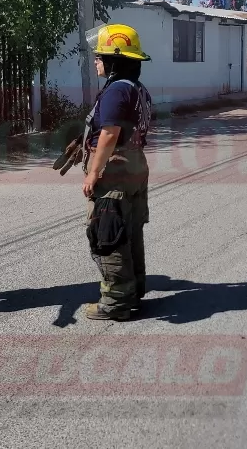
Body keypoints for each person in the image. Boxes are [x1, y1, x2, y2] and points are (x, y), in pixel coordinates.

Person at [80, 23, 155, 321]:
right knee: (130, 232)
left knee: (108, 233)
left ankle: (116, 301)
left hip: (115, 171)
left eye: (100, 57)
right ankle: (134, 291)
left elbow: (109, 134)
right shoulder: (137, 89)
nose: (97, 61)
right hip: (135, 166)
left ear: (115, 60)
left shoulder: (115, 91)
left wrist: (93, 173)